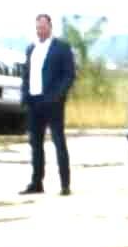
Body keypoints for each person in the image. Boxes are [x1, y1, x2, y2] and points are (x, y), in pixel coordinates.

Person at [21, 11, 82, 194]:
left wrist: (57, 95)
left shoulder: (61, 47)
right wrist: (25, 94)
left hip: (52, 103)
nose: (40, 30)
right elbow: (27, 74)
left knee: (58, 141)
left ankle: (65, 184)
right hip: (34, 101)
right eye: (38, 27)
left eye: (43, 26)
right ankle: (36, 183)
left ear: (50, 27)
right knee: (35, 144)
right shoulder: (31, 48)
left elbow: (69, 75)